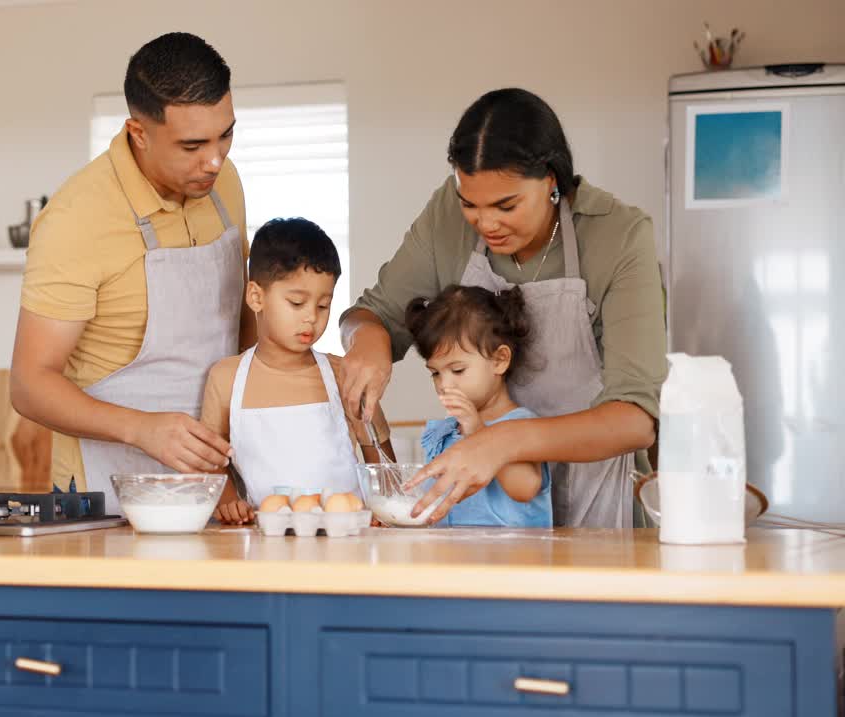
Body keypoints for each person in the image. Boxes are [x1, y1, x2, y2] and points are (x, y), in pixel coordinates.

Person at [339, 88, 667, 528]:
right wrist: (367, 343)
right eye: (469, 204)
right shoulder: (447, 215)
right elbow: (369, 314)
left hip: (601, 513)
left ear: (551, 180)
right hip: (486, 529)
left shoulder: (618, 236)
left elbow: (636, 420)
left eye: (506, 205)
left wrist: (503, 441)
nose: (486, 222)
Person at [10, 33, 254, 508]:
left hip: (219, 483)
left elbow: (242, 317)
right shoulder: (76, 219)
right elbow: (29, 383)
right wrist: (141, 428)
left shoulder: (224, 182)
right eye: (192, 145)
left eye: (226, 134)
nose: (215, 159)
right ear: (138, 133)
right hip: (107, 493)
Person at [202, 218, 392, 524]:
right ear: (256, 297)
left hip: (347, 544)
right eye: (297, 302)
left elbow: (381, 461)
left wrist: (384, 509)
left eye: (323, 306)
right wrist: (228, 502)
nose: (310, 319)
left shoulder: (343, 373)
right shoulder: (226, 378)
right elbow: (209, 462)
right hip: (266, 547)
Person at [405, 285, 551, 527]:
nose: (444, 384)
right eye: (435, 373)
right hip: (453, 561)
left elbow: (525, 488)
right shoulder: (444, 433)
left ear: (499, 360)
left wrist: (478, 431)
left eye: (458, 370)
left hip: (513, 562)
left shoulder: (521, 425)